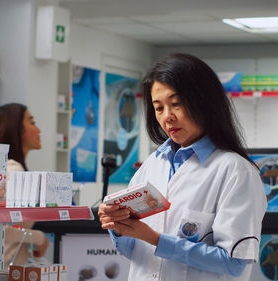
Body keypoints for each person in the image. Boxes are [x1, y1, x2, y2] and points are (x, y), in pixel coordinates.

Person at [98, 53, 267, 281]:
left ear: (204, 102)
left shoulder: (235, 171)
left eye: (176, 104)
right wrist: (119, 227)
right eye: (159, 108)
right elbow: (134, 251)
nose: (167, 117)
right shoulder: (151, 166)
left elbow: (234, 262)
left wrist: (156, 239)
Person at [0, 103, 49, 267]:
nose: (39, 130)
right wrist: (39, 238)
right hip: (7, 269)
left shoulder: (2, 169)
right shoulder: (13, 171)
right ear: (15, 129)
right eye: (32, 122)